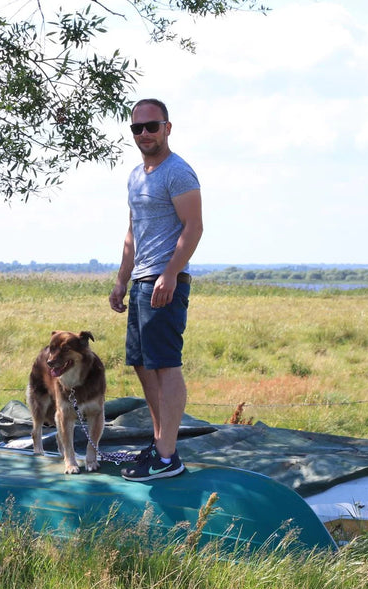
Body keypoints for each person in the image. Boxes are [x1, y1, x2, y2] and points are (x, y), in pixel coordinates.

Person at [109, 98, 203, 481]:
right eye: (137, 128)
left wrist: (169, 273)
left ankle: (167, 458)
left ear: (167, 127)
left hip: (165, 282)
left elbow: (193, 227)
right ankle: (161, 442)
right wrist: (120, 279)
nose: (144, 133)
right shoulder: (136, 175)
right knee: (142, 364)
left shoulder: (178, 173)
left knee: (166, 365)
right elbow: (133, 232)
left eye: (152, 126)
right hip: (141, 282)